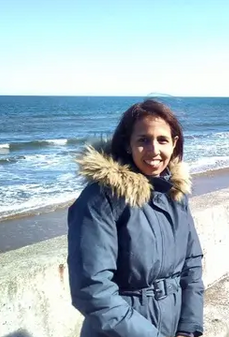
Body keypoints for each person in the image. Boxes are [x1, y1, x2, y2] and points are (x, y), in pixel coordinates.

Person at [67, 99, 204, 337]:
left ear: (174, 143)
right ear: (128, 145)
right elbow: (92, 288)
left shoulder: (176, 194)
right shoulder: (102, 198)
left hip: (171, 326)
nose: (153, 150)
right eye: (143, 140)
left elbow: (191, 266)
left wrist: (188, 328)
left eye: (162, 140)